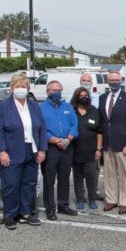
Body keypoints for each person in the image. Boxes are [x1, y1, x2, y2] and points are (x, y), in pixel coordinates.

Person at [0, 74, 47, 230]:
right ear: (12, 88)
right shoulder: (3, 106)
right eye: (18, 86)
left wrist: (42, 149)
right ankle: (10, 215)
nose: (20, 89)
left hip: (32, 150)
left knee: (29, 183)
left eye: (23, 86)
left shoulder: (34, 106)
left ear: (28, 88)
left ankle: (26, 213)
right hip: (12, 151)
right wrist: (2, 151)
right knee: (11, 184)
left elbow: (42, 127)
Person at [99, 71, 126, 215]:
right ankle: (111, 199)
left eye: (116, 80)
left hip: (123, 144)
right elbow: (104, 121)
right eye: (111, 80)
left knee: (125, 174)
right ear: (107, 81)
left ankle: (124, 201)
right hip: (107, 143)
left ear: (121, 80)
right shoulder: (103, 98)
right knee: (109, 174)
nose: (113, 82)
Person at [40, 81, 79, 219]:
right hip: (51, 148)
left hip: (67, 147)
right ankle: (50, 208)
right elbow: (40, 129)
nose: (56, 92)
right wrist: (56, 140)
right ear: (47, 91)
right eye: (53, 90)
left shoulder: (68, 106)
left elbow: (75, 124)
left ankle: (63, 205)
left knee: (64, 177)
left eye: (59, 89)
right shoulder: (41, 108)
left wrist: (68, 139)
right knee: (49, 179)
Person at [70, 87, 102, 212]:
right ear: (76, 97)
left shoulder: (94, 111)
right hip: (75, 150)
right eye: (81, 95)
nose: (84, 97)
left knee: (91, 177)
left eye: (86, 95)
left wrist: (98, 149)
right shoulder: (71, 111)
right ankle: (80, 200)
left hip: (91, 151)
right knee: (77, 177)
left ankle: (92, 199)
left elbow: (100, 132)